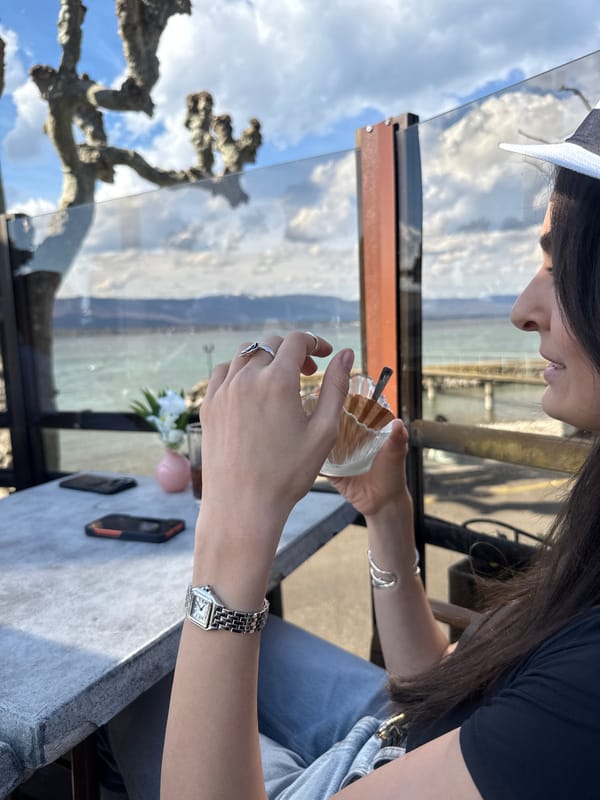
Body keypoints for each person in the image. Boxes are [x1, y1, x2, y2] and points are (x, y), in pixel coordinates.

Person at [102, 98, 600, 799]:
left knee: (133, 683)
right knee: (166, 659)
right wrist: (387, 512)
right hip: (406, 736)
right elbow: (428, 683)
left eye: (562, 267)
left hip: (372, 764)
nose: (522, 308)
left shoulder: (584, 705)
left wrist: (235, 526)